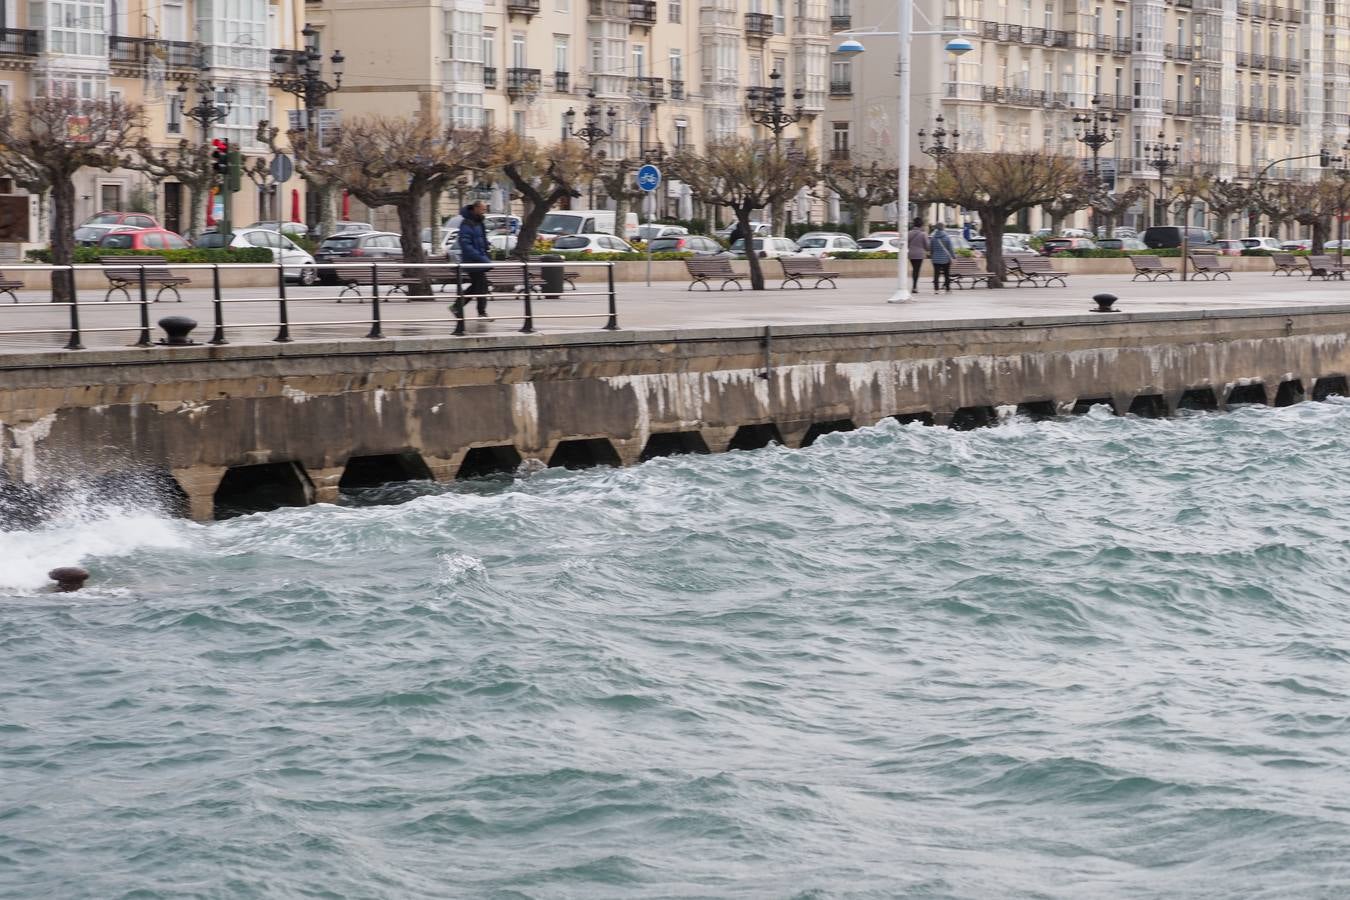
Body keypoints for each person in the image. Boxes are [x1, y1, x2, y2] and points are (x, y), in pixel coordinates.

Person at [454, 201, 492, 317]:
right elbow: (465, 244)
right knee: (481, 285)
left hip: (480, 260)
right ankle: (481, 312)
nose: (484, 212)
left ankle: (457, 307)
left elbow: (482, 240)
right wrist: (480, 257)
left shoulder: (479, 222)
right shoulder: (467, 223)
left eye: (485, 210)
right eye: (482, 209)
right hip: (473, 261)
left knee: (478, 286)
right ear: (475, 208)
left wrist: (487, 248)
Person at [906, 219, 930, 293]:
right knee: (917, 270)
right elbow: (927, 246)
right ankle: (914, 287)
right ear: (921, 225)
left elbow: (906, 243)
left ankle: (914, 286)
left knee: (914, 269)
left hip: (911, 254)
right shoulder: (923, 234)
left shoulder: (909, 233)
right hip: (919, 255)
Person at [930, 223, 955, 292]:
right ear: (943, 228)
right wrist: (953, 256)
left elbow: (931, 249)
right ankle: (947, 288)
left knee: (936, 274)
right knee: (946, 274)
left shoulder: (933, 238)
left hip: (936, 259)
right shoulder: (947, 237)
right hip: (945, 259)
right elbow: (950, 248)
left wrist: (932, 257)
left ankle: (936, 289)